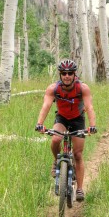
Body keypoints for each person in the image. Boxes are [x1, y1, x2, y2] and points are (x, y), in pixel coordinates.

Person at [36, 59, 97, 201]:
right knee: (56, 139)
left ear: (75, 74)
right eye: (64, 73)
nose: (67, 76)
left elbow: (89, 107)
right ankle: (56, 161)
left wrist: (92, 125)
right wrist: (40, 123)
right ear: (60, 75)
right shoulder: (53, 89)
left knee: (77, 154)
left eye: (70, 73)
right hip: (62, 118)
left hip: (78, 120)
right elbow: (46, 106)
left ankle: (80, 189)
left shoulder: (83, 88)